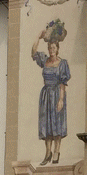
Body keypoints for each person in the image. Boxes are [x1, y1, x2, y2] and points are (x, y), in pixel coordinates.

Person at [32, 31, 70, 165]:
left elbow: (63, 83)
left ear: (57, 49)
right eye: (50, 48)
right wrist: (38, 37)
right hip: (46, 95)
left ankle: (56, 152)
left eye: (54, 48)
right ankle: (47, 153)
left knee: (57, 124)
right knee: (46, 125)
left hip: (57, 94)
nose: (51, 50)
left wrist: (61, 99)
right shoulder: (45, 61)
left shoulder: (62, 63)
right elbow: (33, 53)